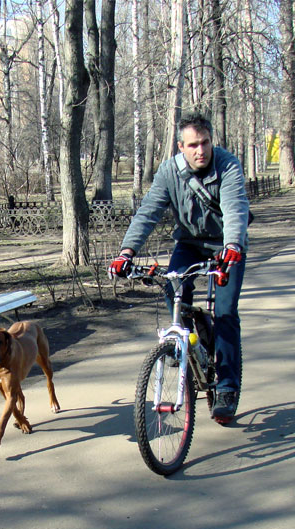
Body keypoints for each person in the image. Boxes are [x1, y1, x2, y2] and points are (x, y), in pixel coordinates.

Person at [108, 113, 249, 425]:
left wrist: (233, 246)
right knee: (174, 291)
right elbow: (148, 212)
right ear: (181, 146)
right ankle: (190, 345)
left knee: (225, 313)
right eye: (193, 145)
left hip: (226, 246)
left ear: (212, 141)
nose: (201, 150)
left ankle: (226, 386)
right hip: (189, 242)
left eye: (206, 143)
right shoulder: (170, 171)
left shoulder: (227, 165)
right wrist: (126, 252)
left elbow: (235, 207)